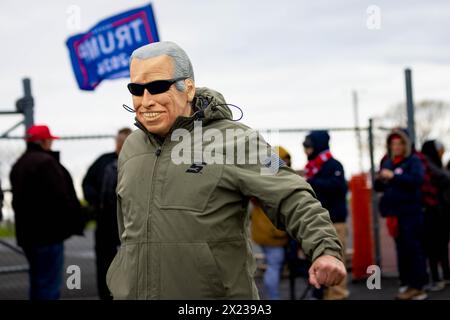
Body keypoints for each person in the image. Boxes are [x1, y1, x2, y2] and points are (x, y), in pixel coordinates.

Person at [106, 41, 346, 299]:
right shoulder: (131, 148)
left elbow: (292, 194)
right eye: (136, 89)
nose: (146, 101)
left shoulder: (238, 141)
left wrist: (325, 250)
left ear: (187, 89)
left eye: (156, 87)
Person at [10, 125, 84, 300]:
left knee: (37, 282)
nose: (51, 143)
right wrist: (75, 218)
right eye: (49, 140)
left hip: (28, 235)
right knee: (49, 285)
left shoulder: (19, 164)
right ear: (43, 141)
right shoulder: (47, 163)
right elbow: (60, 198)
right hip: (48, 235)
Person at [374, 128, 428, 300]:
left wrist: (394, 177)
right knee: (401, 250)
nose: (396, 147)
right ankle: (406, 283)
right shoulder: (388, 162)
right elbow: (380, 187)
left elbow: (417, 181)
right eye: (393, 144)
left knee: (414, 249)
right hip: (394, 214)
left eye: (399, 143)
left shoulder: (414, 161)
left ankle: (418, 286)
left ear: (406, 145)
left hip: (410, 213)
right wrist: (380, 180)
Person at [82, 127, 132, 300]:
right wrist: (95, 201)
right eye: (119, 142)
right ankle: (106, 294)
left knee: (133, 262)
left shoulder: (138, 161)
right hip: (105, 222)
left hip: (130, 222)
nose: (121, 145)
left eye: (125, 141)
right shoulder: (104, 161)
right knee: (105, 263)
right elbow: (87, 183)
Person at [302, 130, 349, 300]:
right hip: (317, 223)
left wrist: (311, 183)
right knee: (320, 265)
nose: (306, 151)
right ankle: (323, 294)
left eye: (308, 147)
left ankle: (338, 296)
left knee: (336, 264)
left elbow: (338, 187)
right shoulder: (312, 168)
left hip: (334, 222)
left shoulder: (333, 165)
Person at [251, 146, 290, 299]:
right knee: (274, 267)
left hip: (262, 231)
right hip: (272, 232)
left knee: (273, 266)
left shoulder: (259, 176)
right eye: (283, 160)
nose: (286, 164)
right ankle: (274, 298)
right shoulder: (274, 179)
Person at [421, 140, 450, 290]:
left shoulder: (435, 165)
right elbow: (444, 178)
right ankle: (438, 278)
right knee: (434, 246)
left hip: (440, 212)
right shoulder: (428, 164)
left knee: (440, 245)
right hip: (434, 211)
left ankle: (443, 277)